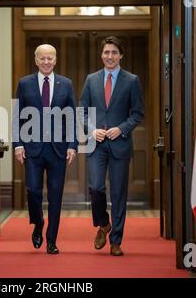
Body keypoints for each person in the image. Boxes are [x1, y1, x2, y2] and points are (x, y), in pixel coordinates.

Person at [79, 36, 144, 256]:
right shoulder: (91, 79)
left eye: (114, 52)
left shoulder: (132, 80)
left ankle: (116, 241)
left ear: (121, 55)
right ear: (101, 55)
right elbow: (82, 111)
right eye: (106, 52)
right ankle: (104, 224)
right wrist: (91, 129)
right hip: (96, 144)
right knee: (96, 188)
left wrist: (122, 128)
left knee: (118, 194)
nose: (110, 56)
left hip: (120, 144)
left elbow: (137, 114)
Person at [13, 44, 77, 255]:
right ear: (36, 60)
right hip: (32, 148)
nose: (47, 62)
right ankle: (38, 223)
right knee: (32, 190)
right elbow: (17, 115)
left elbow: (72, 117)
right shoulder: (24, 84)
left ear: (55, 60)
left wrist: (72, 145)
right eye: (43, 58)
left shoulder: (66, 84)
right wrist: (18, 144)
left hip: (58, 149)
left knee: (56, 195)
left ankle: (52, 240)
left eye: (50, 58)